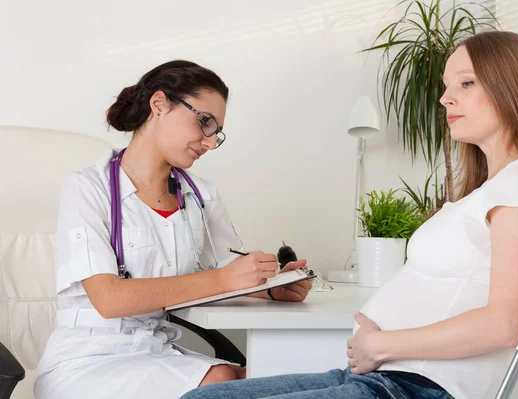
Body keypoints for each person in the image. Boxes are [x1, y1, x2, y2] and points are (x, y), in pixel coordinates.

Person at [179, 30, 518, 399]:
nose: (445, 99)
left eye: (467, 82)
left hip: (416, 387)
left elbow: (504, 324)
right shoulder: (493, 188)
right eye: (446, 86)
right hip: (383, 378)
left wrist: (382, 344)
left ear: (513, 86)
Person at [33, 60, 313, 399]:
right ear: (159, 104)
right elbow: (108, 299)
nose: (210, 142)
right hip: (88, 362)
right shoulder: (88, 188)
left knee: (270, 377)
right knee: (225, 380)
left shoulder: (201, 196)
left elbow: (223, 273)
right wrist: (224, 279)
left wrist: (268, 289)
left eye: (216, 132)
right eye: (205, 122)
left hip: (157, 353)